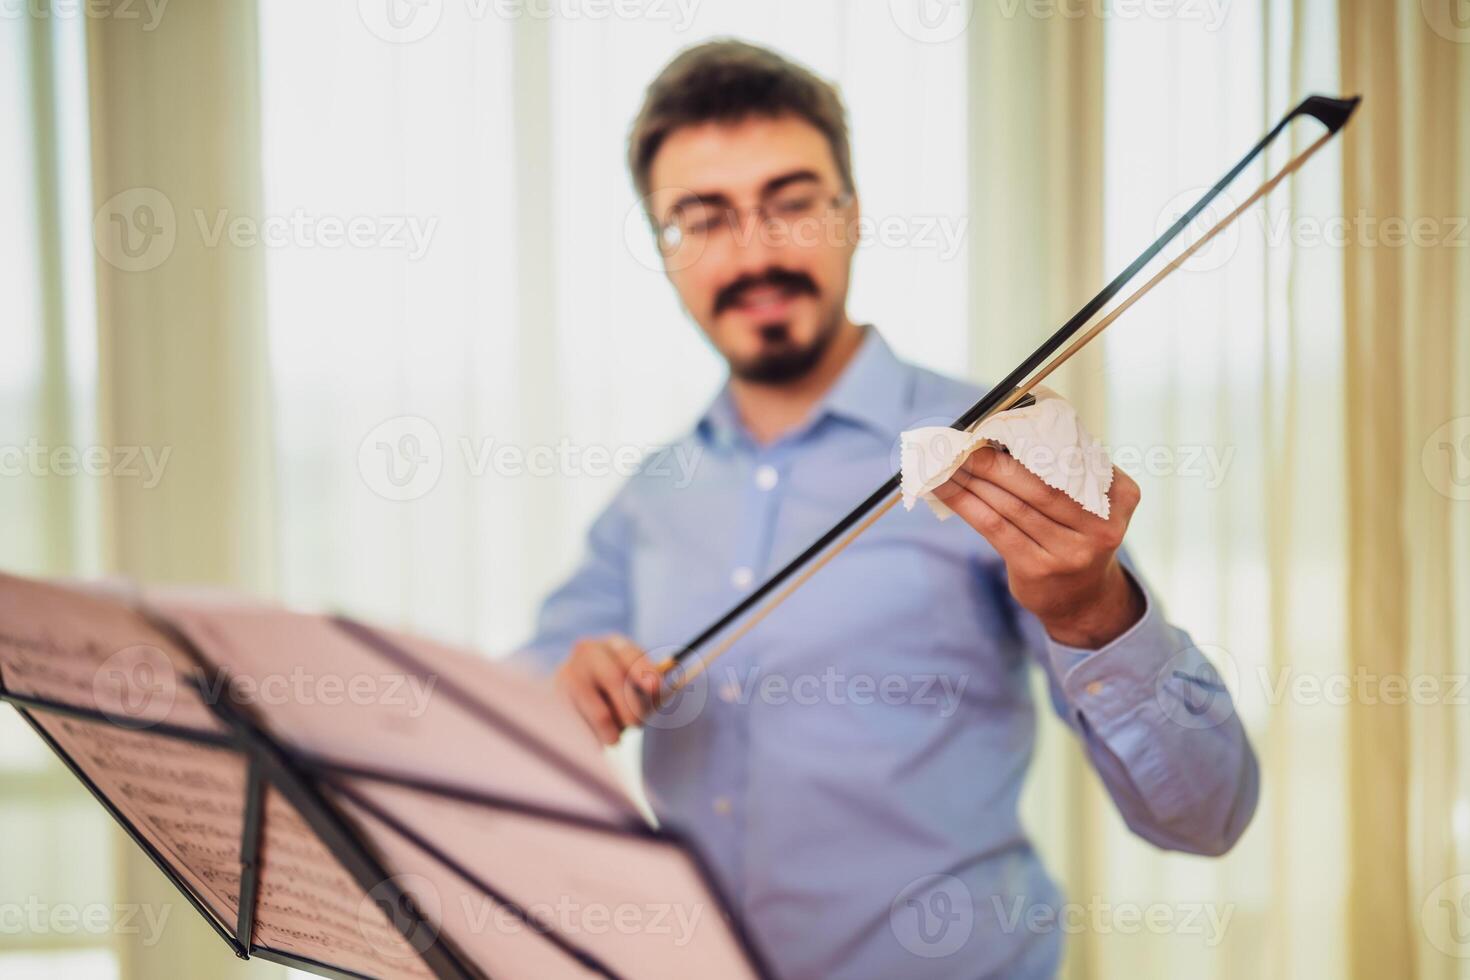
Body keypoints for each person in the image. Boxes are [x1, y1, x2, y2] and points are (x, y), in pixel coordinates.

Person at [516, 39, 1257, 980]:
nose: (756, 250)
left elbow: (1207, 815)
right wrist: (560, 692)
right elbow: (515, 694)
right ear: (663, 251)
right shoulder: (652, 497)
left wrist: (1094, 614)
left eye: (791, 203)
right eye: (701, 218)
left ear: (853, 216)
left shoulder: (993, 449)